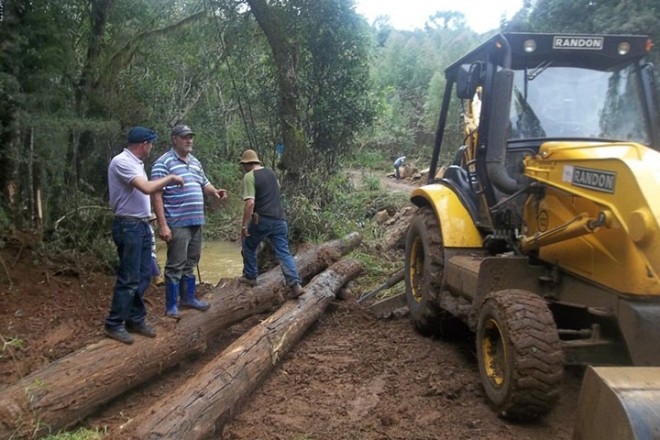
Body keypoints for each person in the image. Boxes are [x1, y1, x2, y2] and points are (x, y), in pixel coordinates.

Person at [104, 126, 184, 344]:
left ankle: (134, 318)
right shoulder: (121, 162)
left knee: (144, 275)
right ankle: (114, 323)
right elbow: (147, 189)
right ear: (143, 144)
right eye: (150, 143)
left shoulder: (137, 164)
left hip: (140, 225)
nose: (151, 147)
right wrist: (169, 178)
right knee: (129, 278)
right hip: (128, 226)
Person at [151, 124, 227, 319]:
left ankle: (188, 298)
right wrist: (163, 225)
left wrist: (215, 192)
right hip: (177, 222)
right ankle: (171, 306)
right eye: (185, 137)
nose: (189, 140)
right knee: (175, 264)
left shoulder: (194, 162)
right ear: (174, 139)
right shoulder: (163, 163)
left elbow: (204, 183)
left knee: (191, 261)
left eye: (191, 137)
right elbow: (156, 195)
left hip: (196, 221)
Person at [237, 149, 305, 299]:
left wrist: (244, 225)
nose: (243, 167)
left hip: (262, 220)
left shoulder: (249, 176)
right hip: (280, 220)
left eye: (243, 165)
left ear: (247, 164)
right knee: (283, 253)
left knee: (248, 243)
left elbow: (250, 203)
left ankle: (250, 276)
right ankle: (295, 284)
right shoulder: (271, 173)